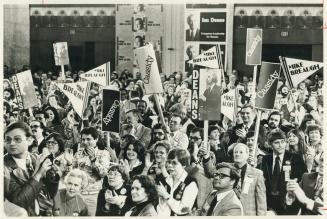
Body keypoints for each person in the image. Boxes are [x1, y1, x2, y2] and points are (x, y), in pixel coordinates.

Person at [4, 122, 59, 216]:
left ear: (29, 140)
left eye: (17, 139)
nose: (11, 143)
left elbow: (51, 193)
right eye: (8, 140)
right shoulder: (4, 166)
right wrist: (38, 174)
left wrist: (52, 173)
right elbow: (18, 203)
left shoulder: (35, 158)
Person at [258, 130, 307, 215]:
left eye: (282, 142)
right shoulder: (266, 159)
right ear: (270, 145)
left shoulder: (295, 158)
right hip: (269, 203)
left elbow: (304, 179)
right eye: (277, 143)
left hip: (288, 203)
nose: (280, 145)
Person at [73, 127, 112, 216]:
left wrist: (93, 159)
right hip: (78, 193)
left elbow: (103, 174)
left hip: (93, 195)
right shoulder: (78, 153)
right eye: (83, 139)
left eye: (88, 139)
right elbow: (73, 171)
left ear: (96, 139)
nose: (85, 142)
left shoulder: (104, 153)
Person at [156, 149, 198, 216]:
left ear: (184, 165)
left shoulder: (191, 183)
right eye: (169, 162)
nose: (169, 165)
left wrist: (166, 196)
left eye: (174, 163)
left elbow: (183, 210)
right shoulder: (166, 180)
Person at [233, 143, 267, 215]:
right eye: (235, 152)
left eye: (241, 152)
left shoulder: (257, 173)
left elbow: (261, 201)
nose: (237, 154)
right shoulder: (228, 170)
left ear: (247, 154)